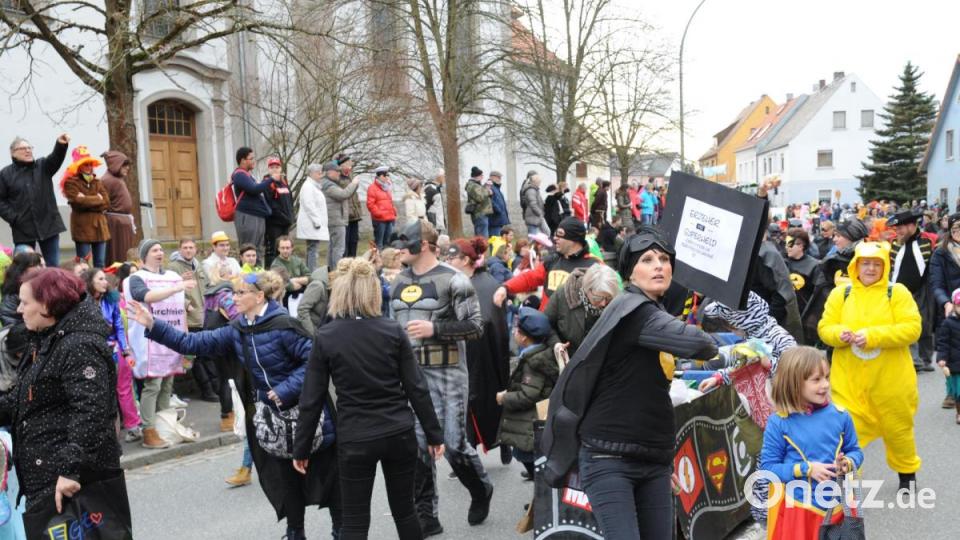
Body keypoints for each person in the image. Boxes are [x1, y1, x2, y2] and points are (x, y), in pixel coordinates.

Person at [130, 271, 340, 540]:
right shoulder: (238, 330)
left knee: (329, 479)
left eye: (241, 293)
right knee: (288, 483)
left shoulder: (284, 326)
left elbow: (314, 363)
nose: (234, 297)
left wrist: (284, 390)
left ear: (259, 296)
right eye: (234, 292)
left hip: (311, 418)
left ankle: (341, 530)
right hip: (275, 422)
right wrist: (153, 324)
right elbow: (191, 342)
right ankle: (295, 533)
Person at [541, 227, 718, 539]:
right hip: (609, 458)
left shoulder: (648, 310)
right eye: (647, 260)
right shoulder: (635, 311)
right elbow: (701, 345)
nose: (659, 265)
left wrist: (663, 460)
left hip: (652, 458)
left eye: (664, 259)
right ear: (631, 273)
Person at [294, 258, 444, 540]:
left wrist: (301, 448)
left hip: (356, 436)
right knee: (405, 511)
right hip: (398, 431)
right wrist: (434, 434)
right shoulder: (392, 330)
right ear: (374, 292)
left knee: (354, 521)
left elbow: (311, 398)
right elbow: (416, 387)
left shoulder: (326, 337)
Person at [387, 220, 492, 535]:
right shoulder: (396, 281)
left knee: (455, 444)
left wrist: (436, 329)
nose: (400, 249)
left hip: (447, 374)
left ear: (423, 245)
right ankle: (427, 516)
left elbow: (476, 326)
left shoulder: (454, 279)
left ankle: (480, 489)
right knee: (418, 447)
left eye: (407, 243)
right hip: (411, 375)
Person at [0, 268, 124, 514]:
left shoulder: (80, 345)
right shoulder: (47, 338)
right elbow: (24, 398)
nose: (19, 310)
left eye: (25, 303)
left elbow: (91, 410)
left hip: (67, 484)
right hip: (46, 477)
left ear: (48, 304)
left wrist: (70, 471)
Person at [818, 241, 922, 491]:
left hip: (892, 383)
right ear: (855, 266)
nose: (871, 269)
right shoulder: (840, 294)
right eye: (866, 263)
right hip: (849, 382)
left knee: (898, 430)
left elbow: (912, 328)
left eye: (877, 264)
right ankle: (847, 480)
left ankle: (907, 474)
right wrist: (839, 334)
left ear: (885, 267)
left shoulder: (896, 293)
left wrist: (874, 336)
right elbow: (824, 328)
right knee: (845, 433)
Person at [761, 346, 863, 540]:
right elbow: (768, 468)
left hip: (840, 508)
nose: (824, 385)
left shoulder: (841, 416)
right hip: (801, 511)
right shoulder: (779, 422)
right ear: (793, 383)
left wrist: (848, 463)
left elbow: (855, 451)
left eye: (826, 377)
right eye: (816, 379)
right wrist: (805, 469)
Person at [124, 239, 195, 449]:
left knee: (167, 384)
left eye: (161, 249)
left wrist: (186, 336)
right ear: (144, 255)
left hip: (171, 337)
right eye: (154, 250)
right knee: (152, 385)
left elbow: (178, 309)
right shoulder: (136, 278)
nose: (160, 253)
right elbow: (147, 296)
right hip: (148, 340)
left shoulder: (172, 277)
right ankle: (148, 430)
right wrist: (176, 288)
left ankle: (165, 425)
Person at [445, 237, 511, 461]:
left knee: (487, 399)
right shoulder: (454, 282)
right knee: (465, 401)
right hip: (463, 351)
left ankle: (503, 441)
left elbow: (487, 320)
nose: (447, 260)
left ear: (465, 260)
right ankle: (467, 451)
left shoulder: (485, 283)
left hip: (485, 353)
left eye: (452, 257)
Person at [497, 307, 559, 481]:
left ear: (523, 337)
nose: (514, 333)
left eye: (516, 330)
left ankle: (539, 500)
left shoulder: (533, 363)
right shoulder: (537, 354)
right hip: (532, 422)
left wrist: (504, 398)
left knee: (530, 458)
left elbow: (527, 395)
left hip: (530, 422)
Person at [85, 268, 142, 442]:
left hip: (116, 351)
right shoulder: (83, 304)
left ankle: (133, 425)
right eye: (100, 279)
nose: (105, 282)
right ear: (90, 282)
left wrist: (125, 350)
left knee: (124, 388)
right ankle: (108, 435)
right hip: (94, 353)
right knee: (102, 394)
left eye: (105, 279)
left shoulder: (111, 301)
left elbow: (118, 325)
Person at [494, 217, 598, 312]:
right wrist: (505, 287)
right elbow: (530, 278)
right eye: (556, 234)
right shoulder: (552, 261)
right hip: (547, 327)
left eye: (560, 234)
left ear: (574, 239)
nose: (555, 238)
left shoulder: (594, 265)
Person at [0, 134, 69, 267]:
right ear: (13, 153)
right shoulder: (5, 174)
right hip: (23, 229)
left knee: (52, 266)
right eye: (23, 148)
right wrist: (14, 218)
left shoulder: (43, 166)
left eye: (29, 147)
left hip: (49, 225)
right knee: (26, 268)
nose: (28, 150)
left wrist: (60, 145)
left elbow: (56, 158)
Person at [167, 238, 217, 402]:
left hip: (205, 317)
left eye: (191, 247)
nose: (188, 250)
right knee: (195, 358)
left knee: (207, 355)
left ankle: (215, 388)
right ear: (180, 249)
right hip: (189, 319)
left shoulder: (199, 265)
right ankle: (207, 391)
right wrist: (186, 304)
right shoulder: (173, 268)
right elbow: (169, 291)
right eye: (185, 247)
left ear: (196, 249)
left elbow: (208, 287)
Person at [888, 210, 936, 372]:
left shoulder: (928, 240)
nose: (898, 231)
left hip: (923, 289)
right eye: (897, 229)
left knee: (924, 323)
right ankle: (912, 359)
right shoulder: (894, 243)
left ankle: (925, 358)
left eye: (900, 228)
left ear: (911, 226)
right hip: (898, 290)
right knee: (904, 323)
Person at [544, 263, 619, 355]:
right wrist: (556, 344)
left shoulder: (616, 302)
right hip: (568, 358)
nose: (603, 303)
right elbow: (545, 324)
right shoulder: (563, 294)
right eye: (598, 298)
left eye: (608, 298)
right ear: (587, 289)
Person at [61, 146, 110, 268]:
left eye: (90, 164)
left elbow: (107, 202)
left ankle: (99, 285)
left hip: (100, 228)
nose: (89, 167)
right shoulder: (71, 182)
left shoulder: (97, 181)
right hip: (82, 229)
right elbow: (77, 203)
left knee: (100, 263)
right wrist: (97, 198)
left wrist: (86, 199)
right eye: (85, 164)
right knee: (83, 265)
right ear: (78, 166)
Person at [930, 213, 960, 408]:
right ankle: (951, 392)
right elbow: (936, 283)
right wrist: (946, 303)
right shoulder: (940, 253)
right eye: (956, 229)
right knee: (952, 352)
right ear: (950, 231)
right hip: (953, 308)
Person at [232, 147, 273, 263]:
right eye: (251, 158)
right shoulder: (239, 175)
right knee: (248, 249)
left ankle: (259, 276)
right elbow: (254, 189)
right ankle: (245, 278)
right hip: (247, 216)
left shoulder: (248, 175)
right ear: (242, 160)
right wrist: (270, 179)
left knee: (258, 249)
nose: (254, 161)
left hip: (256, 215)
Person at [100, 150, 136, 265]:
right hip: (115, 224)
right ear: (115, 165)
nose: (127, 168)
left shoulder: (117, 179)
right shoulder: (108, 180)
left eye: (127, 165)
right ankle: (116, 276)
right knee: (117, 253)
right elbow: (103, 202)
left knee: (125, 253)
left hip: (122, 222)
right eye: (124, 165)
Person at [324, 161, 362, 269]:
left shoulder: (329, 183)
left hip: (337, 218)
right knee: (339, 249)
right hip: (336, 220)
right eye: (337, 171)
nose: (338, 174)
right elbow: (344, 194)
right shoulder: (329, 185)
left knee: (334, 248)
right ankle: (337, 272)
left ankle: (332, 271)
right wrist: (353, 183)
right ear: (330, 172)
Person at [784, 228, 819, 344]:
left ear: (801, 246)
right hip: (783, 315)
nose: (787, 247)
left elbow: (817, 295)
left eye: (790, 244)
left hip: (803, 318)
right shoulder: (782, 262)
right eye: (786, 243)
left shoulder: (813, 266)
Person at [297, 163, 330, 272]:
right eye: (318, 173)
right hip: (312, 224)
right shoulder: (308, 186)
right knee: (312, 250)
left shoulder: (313, 186)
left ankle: (311, 271)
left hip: (314, 224)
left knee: (313, 249)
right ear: (312, 174)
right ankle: (311, 272)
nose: (321, 175)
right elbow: (309, 205)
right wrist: (317, 222)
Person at [262, 157, 294, 269]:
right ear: (268, 169)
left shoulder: (284, 183)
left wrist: (290, 217)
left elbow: (289, 202)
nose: (275, 169)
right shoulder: (266, 183)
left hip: (285, 223)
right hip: (274, 224)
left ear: (281, 168)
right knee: (273, 250)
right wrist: (284, 217)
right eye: (272, 167)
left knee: (284, 250)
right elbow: (271, 205)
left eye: (277, 167)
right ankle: (270, 274)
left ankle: (283, 273)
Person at [0, 252, 42, 327]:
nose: (40, 269)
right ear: (21, 271)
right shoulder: (11, 299)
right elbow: (11, 326)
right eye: (34, 265)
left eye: (41, 265)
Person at [937, 289, 960, 423]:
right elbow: (943, 343)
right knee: (958, 393)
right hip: (955, 365)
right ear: (954, 306)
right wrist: (942, 358)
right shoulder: (948, 323)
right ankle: (959, 413)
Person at [271, 236, 311, 311]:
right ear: (278, 249)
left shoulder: (298, 260)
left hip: (302, 295)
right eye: (282, 248)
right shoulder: (275, 265)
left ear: (292, 248)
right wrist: (300, 282)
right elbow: (286, 286)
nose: (285, 250)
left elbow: (309, 277)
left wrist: (294, 280)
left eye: (287, 248)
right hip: (285, 298)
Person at [464, 166, 492, 238]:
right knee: (482, 239)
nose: (482, 177)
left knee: (482, 237)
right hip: (479, 214)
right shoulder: (472, 186)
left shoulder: (476, 185)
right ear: (477, 176)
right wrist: (488, 191)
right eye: (481, 175)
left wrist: (485, 188)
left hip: (482, 214)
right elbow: (480, 197)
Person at [521, 171, 548, 236]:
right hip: (533, 216)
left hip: (537, 216)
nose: (540, 184)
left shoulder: (535, 189)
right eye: (539, 182)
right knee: (533, 237)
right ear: (535, 182)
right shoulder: (531, 190)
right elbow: (533, 204)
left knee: (546, 232)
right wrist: (540, 213)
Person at [488, 171, 510, 238]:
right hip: (494, 220)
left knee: (498, 241)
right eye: (498, 177)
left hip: (498, 220)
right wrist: (498, 210)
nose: (499, 179)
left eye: (500, 177)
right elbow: (490, 201)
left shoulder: (496, 188)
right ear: (492, 177)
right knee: (495, 241)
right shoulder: (489, 187)